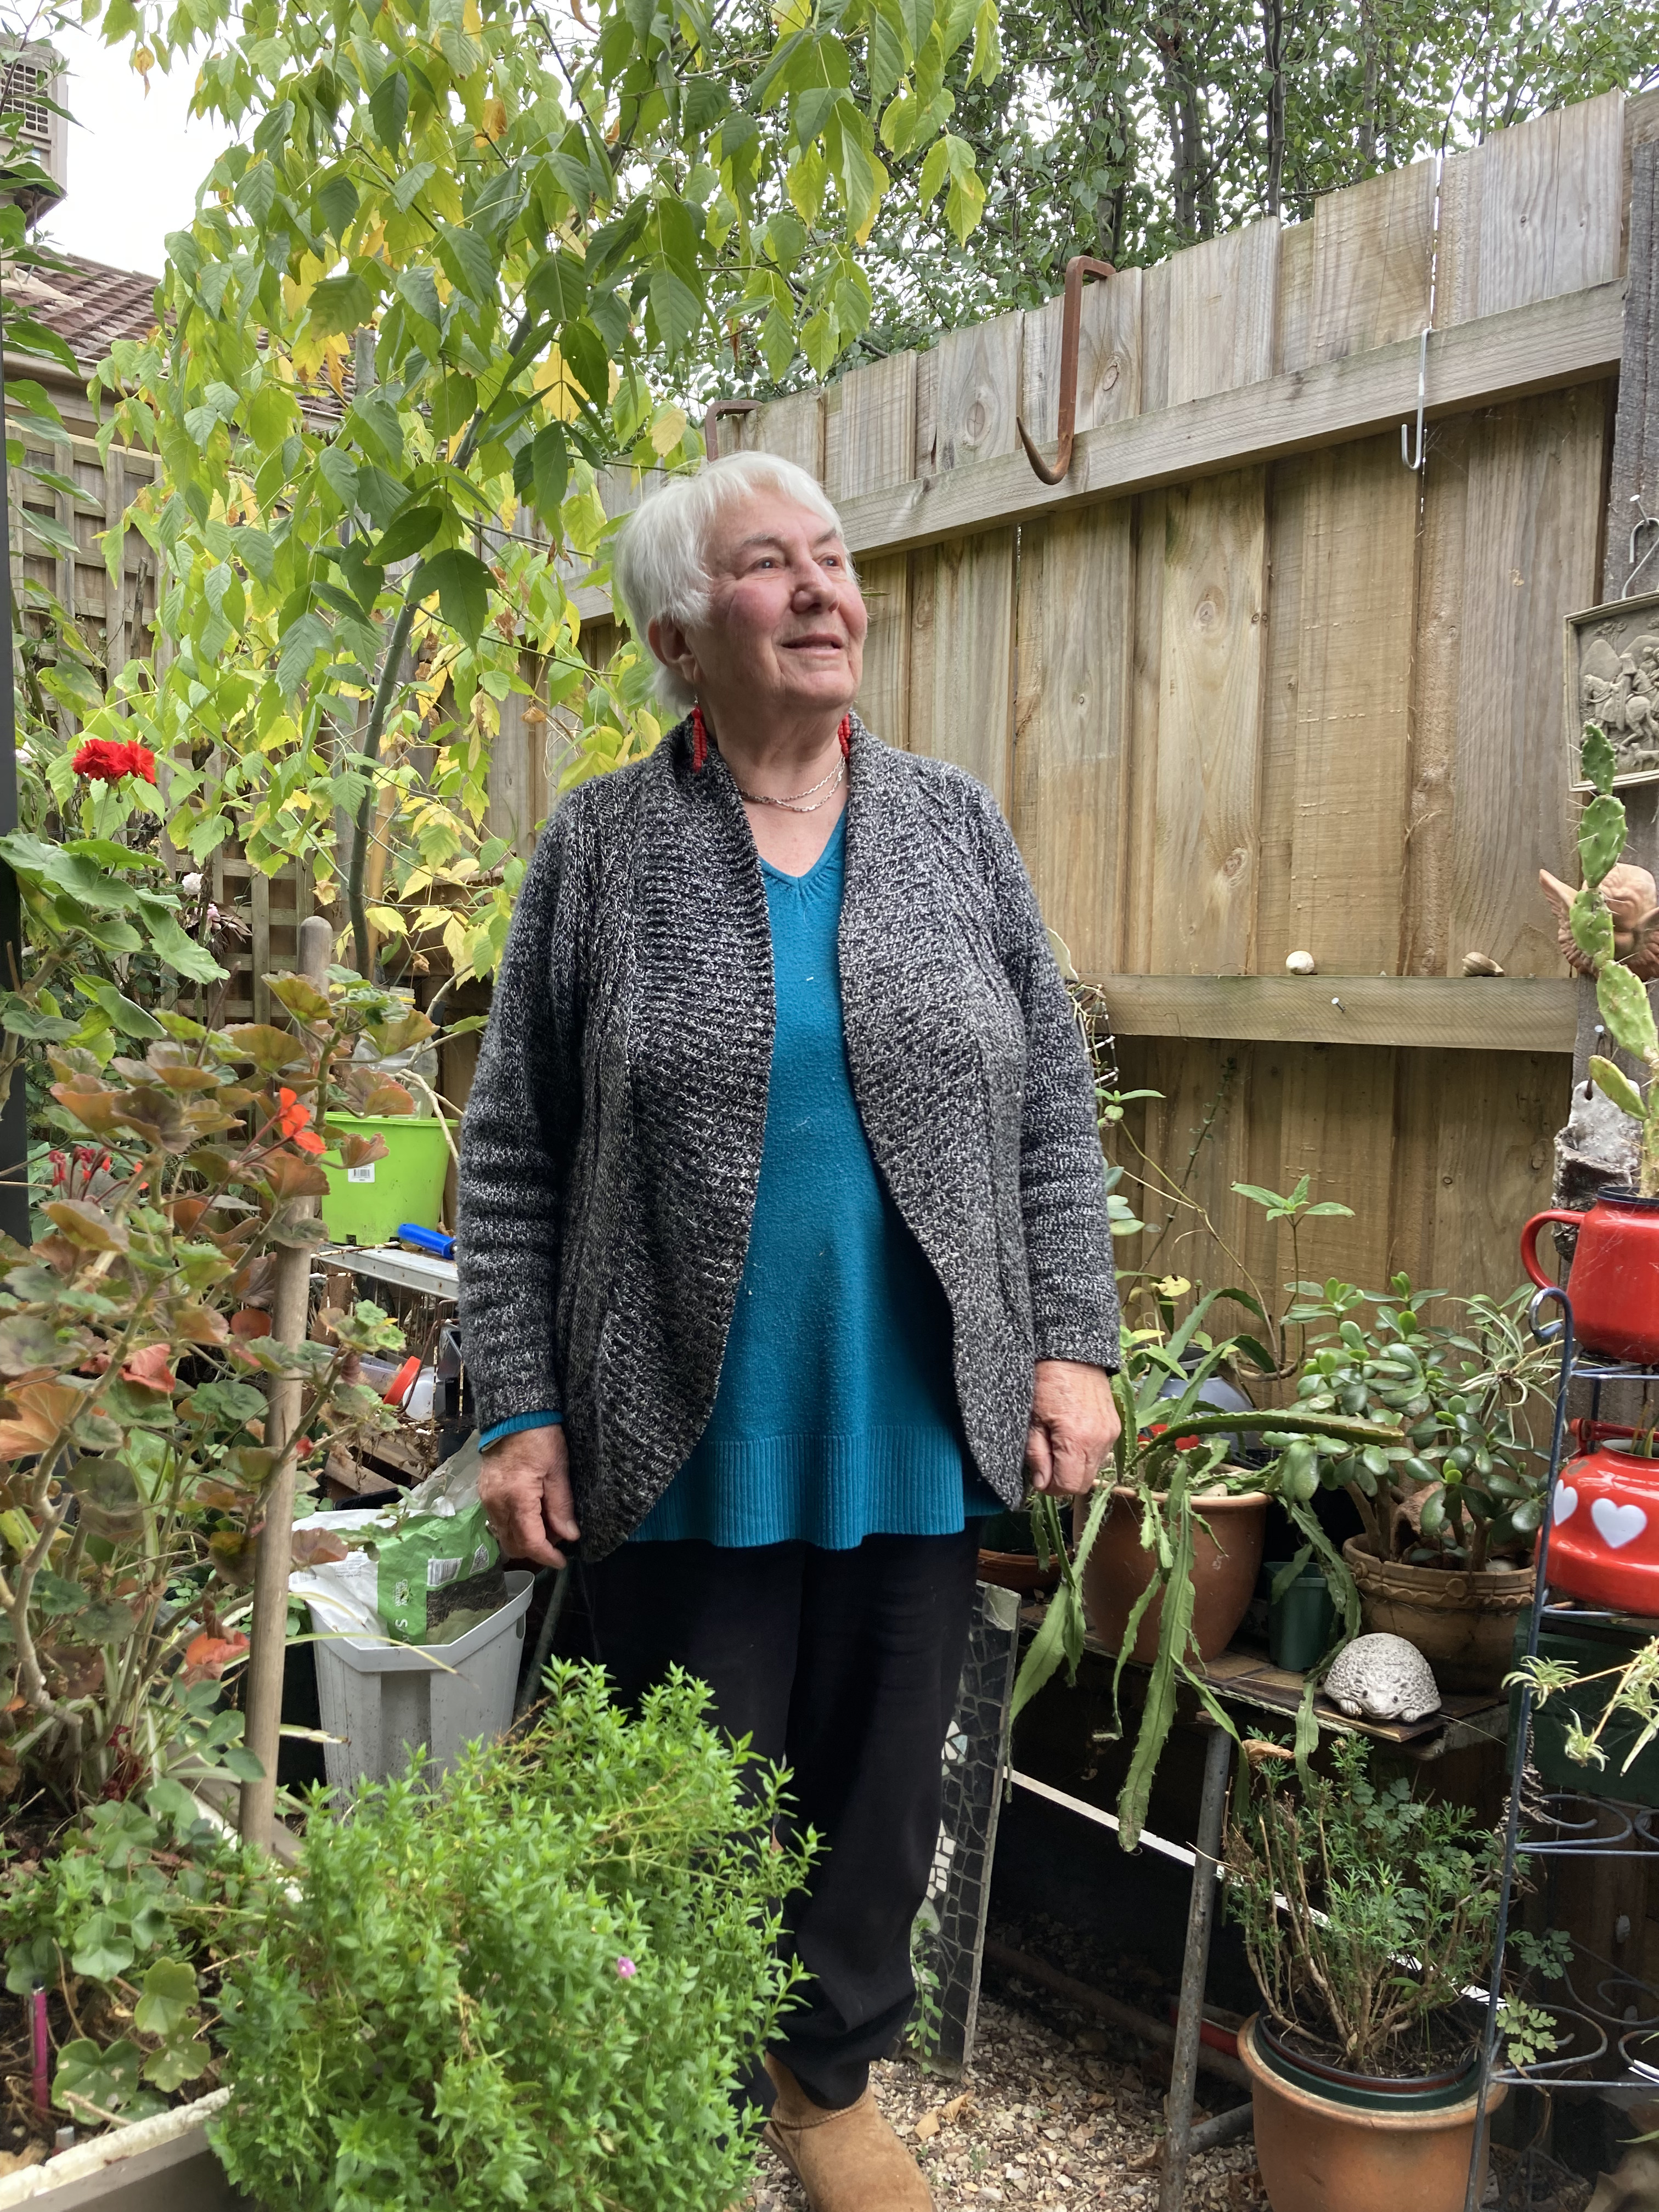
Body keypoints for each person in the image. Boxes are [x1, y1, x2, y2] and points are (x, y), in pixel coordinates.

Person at [456, 451, 1121, 2212]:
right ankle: (655, 2076)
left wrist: (1074, 1347)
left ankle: (827, 2082)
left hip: (912, 1413)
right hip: (680, 1418)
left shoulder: (955, 826)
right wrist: (516, 1407)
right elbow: (510, 1142)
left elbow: (1053, 1102)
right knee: (673, 1796)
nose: (825, 590)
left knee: (882, 1793)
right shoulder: (601, 846)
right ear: (684, 634)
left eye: (835, 558)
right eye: (774, 566)